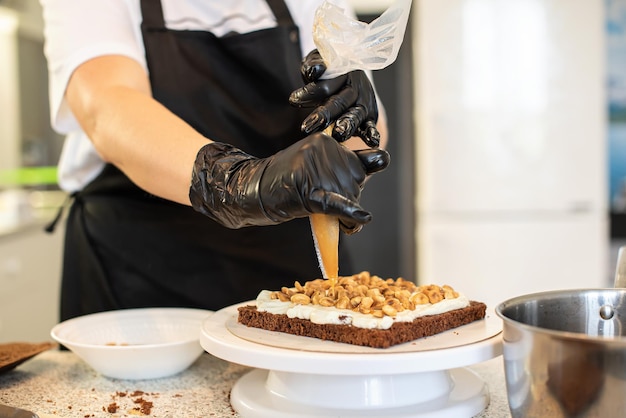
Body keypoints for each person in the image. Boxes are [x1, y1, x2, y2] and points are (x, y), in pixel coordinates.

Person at [39, 0, 390, 321]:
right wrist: (235, 182)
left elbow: (362, 122)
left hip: (290, 270)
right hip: (140, 277)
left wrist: (343, 155)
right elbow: (107, 105)